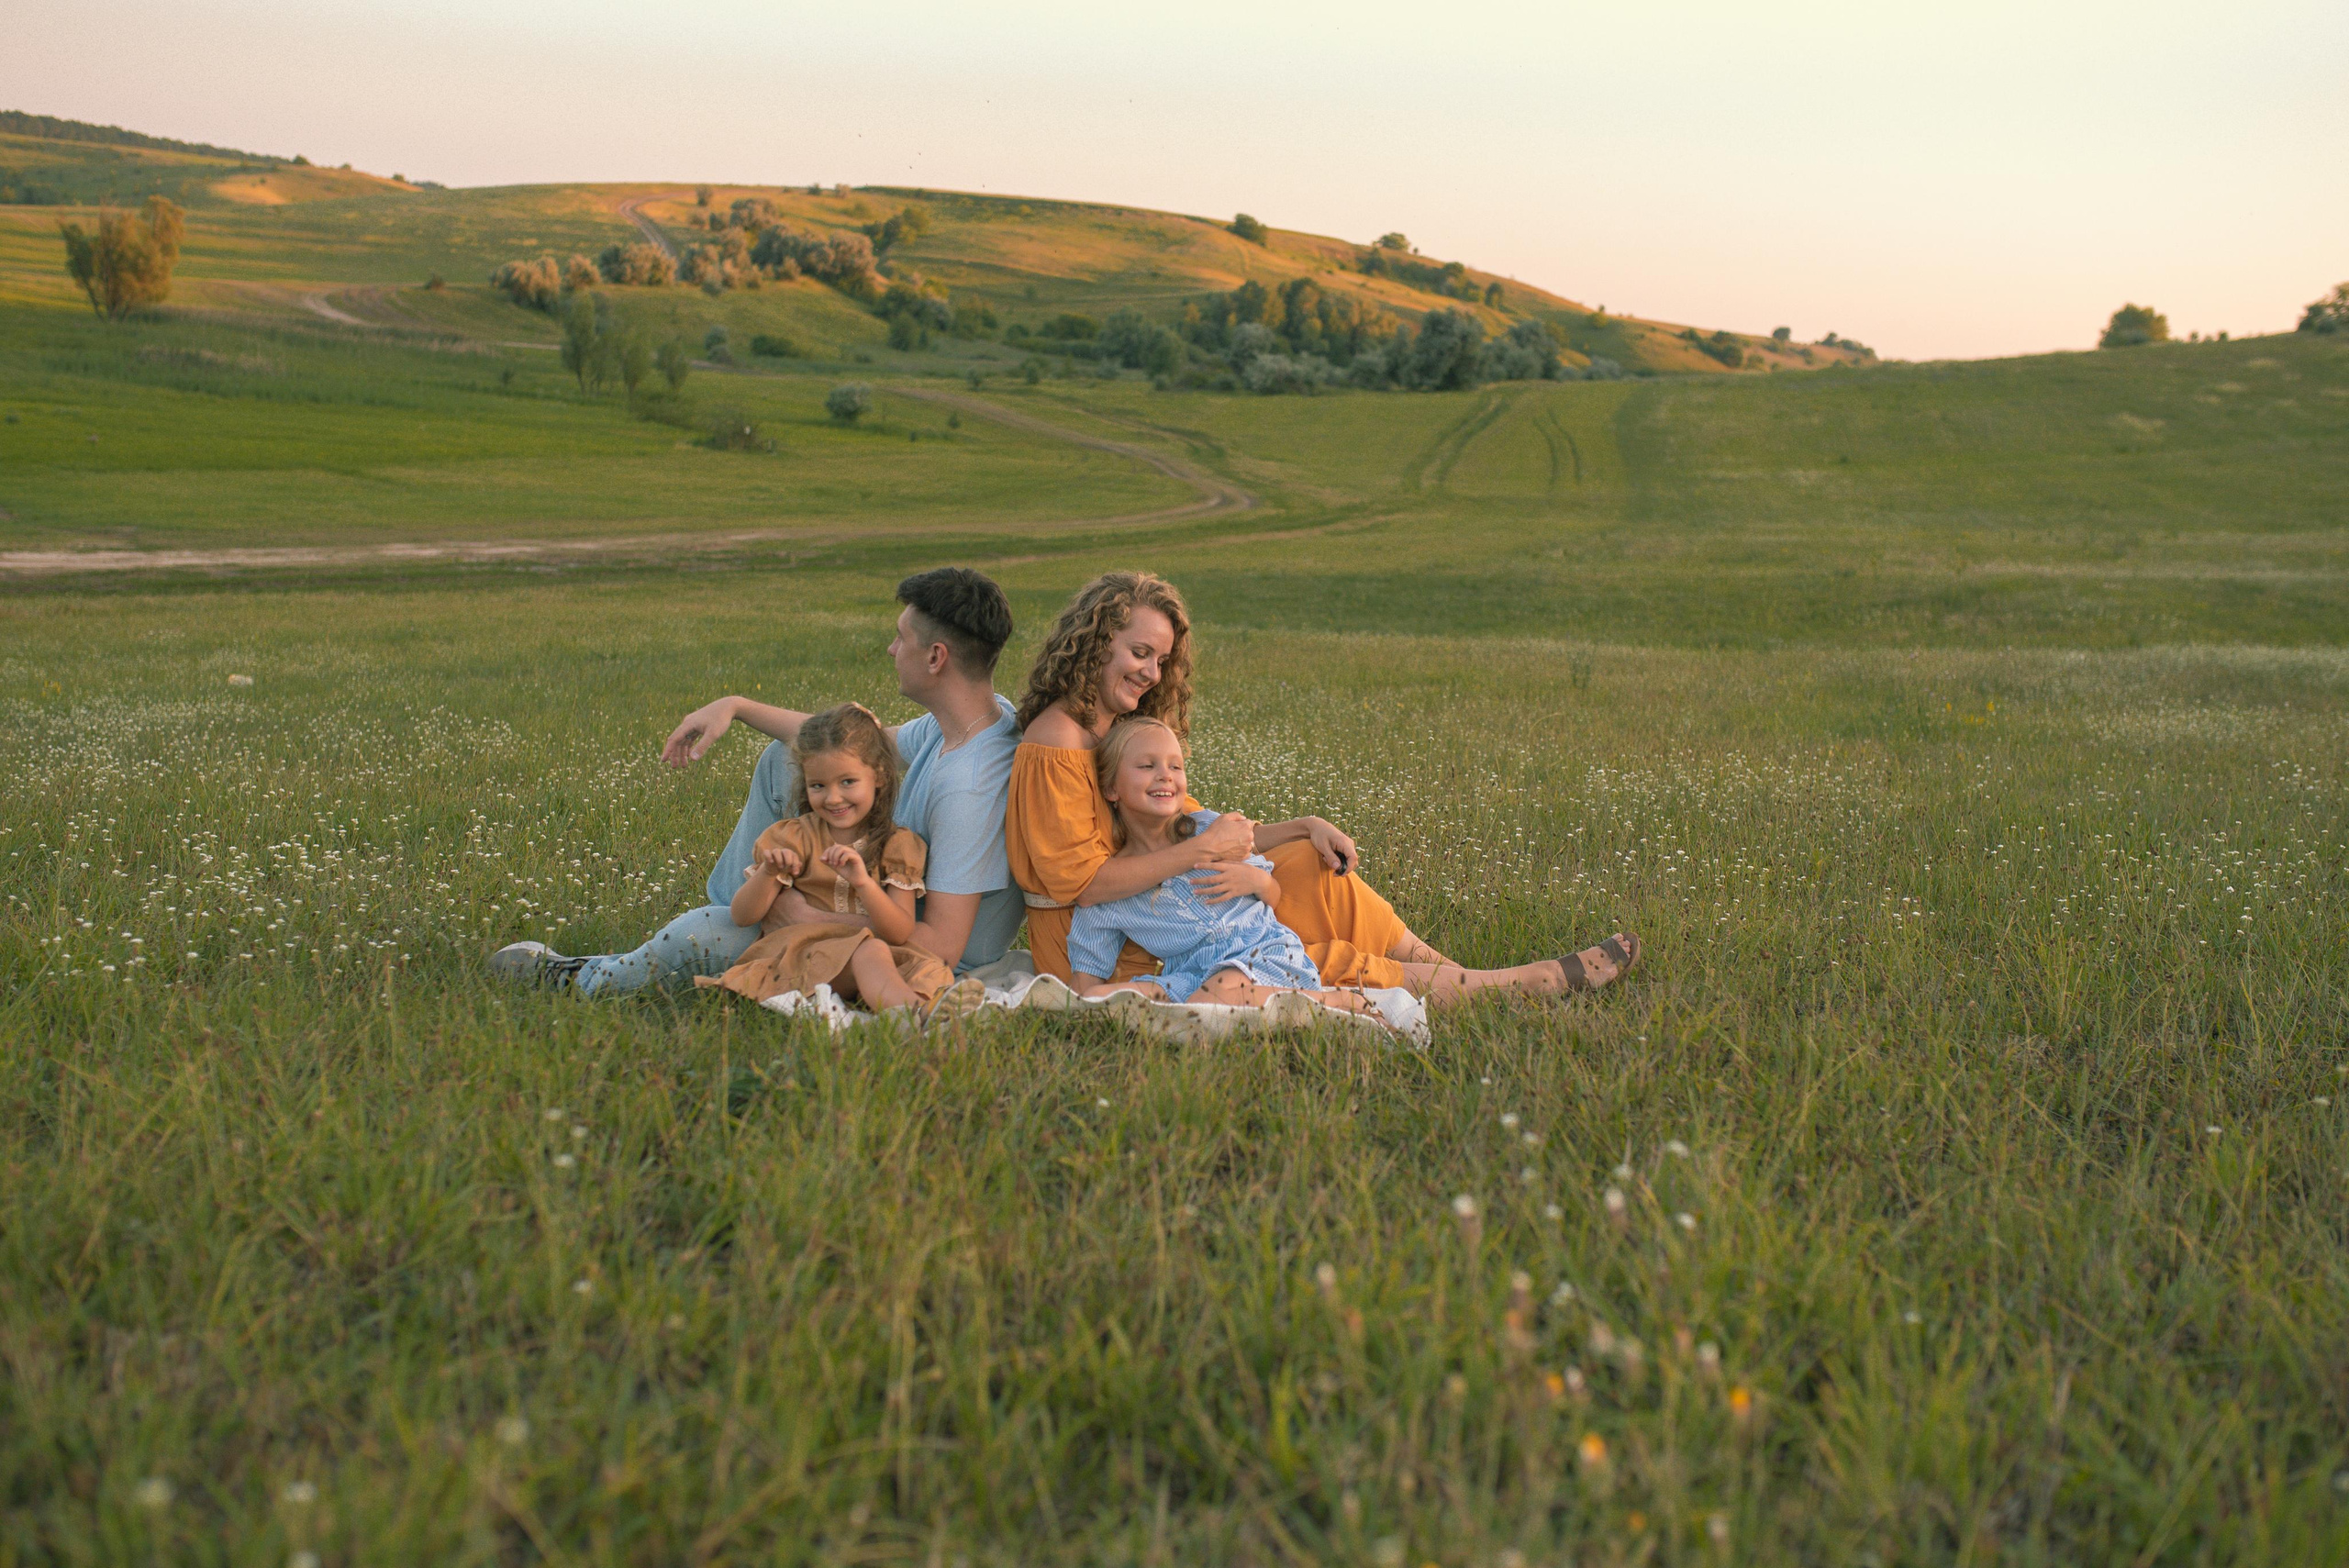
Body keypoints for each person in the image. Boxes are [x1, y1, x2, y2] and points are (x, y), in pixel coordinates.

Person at [1005, 571, 1638, 1005]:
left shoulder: (1117, 729)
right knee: (1302, 951)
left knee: (1308, 862)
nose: (1151, 672)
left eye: (1161, 660)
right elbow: (1081, 884)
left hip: (1165, 905)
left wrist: (1304, 825)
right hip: (1111, 947)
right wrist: (1202, 853)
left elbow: (1196, 828)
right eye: (1139, 651)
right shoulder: (1057, 739)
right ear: (1094, 641)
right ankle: (1506, 986)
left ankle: (1449, 971)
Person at [492, 568, 1023, 995]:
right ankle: (741, 912)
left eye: (901, 638)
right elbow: (863, 745)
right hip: (871, 891)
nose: (891, 648)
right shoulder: (973, 715)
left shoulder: (969, 788)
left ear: (936, 657)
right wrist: (737, 706)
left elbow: (943, 949)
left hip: (909, 939)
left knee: (692, 937)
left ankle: (587, 978)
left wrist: (806, 916)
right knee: (784, 758)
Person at [1066, 717, 1425, 1038]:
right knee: (1104, 999)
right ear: (1111, 789)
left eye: (1176, 766)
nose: (1165, 775)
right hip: (1193, 973)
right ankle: (1204, 1010)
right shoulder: (1116, 885)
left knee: (1215, 997)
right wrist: (1086, 998)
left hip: (1262, 955)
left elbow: (1273, 894)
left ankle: (1340, 1002)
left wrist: (1255, 883)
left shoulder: (1208, 830)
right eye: (1147, 766)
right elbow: (1088, 967)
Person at [696, 703, 987, 1025]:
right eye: (818, 785)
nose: (833, 798)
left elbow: (900, 931)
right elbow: (741, 916)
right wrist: (768, 873)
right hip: (804, 955)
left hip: (874, 954)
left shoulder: (897, 846)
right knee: (872, 953)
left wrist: (864, 883)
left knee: (924, 967)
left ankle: (919, 1008)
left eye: (847, 782)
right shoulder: (794, 837)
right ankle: (915, 1015)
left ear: (877, 776)